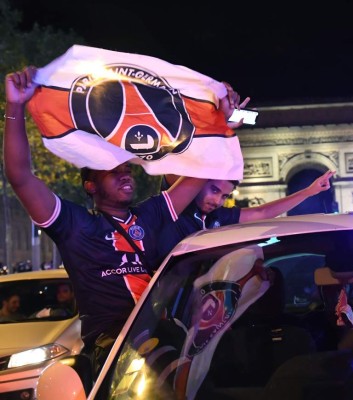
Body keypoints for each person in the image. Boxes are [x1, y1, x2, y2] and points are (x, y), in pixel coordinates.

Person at [3, 66, 244, 376]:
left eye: (127, 168)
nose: (125, 174)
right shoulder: (75, 226)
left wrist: (222, 121)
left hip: (166, 332)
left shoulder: (151, 213)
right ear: (90, 185)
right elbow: (20, 176)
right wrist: (15, 106)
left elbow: (202, 171)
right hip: (113, 346)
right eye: (112, 170)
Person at [157, 170, 335, 258]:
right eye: (214, 190)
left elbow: (262, 211)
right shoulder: (177, 208)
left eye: (224, 196)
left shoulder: (218, 215)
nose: (217, 200)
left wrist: (309, 192)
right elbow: (172, 171)